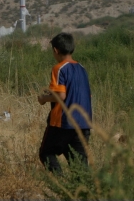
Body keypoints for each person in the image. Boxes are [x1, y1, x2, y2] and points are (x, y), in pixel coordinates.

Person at [37, 32, 92, 173]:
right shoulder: (82, 69)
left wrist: (43, 99)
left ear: (55, 50)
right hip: (83, 124)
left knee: (46, 153)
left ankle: (60, 185)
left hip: (63, 123)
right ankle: (81, 192)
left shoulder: (58, 68)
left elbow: (61, 95)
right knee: (80, 166)